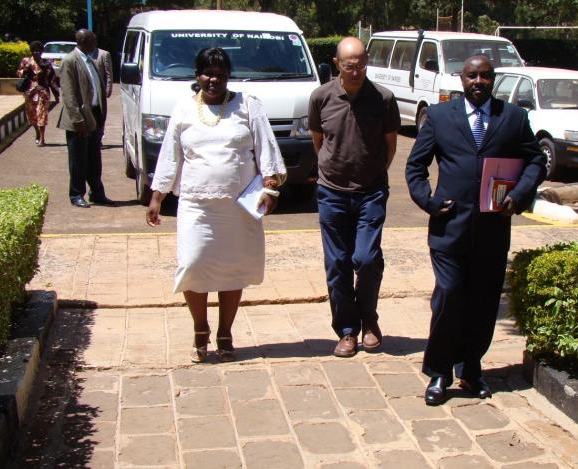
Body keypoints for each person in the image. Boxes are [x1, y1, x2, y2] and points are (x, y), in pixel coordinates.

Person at [405, 54, 546, 405]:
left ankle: (471, 369)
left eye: (485, 76)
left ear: (493, 79)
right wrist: (429, 201)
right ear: (461, 79)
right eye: (472, 76)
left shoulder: (513, 118)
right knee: (450, 295)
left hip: (492, 229)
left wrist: (519, 193)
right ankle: (439, 372)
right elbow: (415, 166)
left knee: (483, 302)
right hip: (449, 227)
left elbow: (535, 160)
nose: (478, 82)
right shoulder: (439, 117)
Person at [146, 47, 286, 364]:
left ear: (228, 77)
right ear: (197, 76)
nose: (214, 80)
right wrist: (157, 197)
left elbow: (267, 149)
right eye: (208, 73)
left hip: (238, 208)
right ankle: (200, 328)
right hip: (196, 205)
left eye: (221, 75)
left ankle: (225, 332)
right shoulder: (183, 110)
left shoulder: (248, 106)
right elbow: (170, 156)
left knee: (232, 270)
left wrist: (271, 188)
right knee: (193, 264)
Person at [308, 37, 400, 358]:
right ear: (337, 64)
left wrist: (374, 174)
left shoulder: (384, 99)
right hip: (332, 193)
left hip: (371, 192)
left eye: (361, 64)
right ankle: (347, 330)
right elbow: (319, 141)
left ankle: (370, 321)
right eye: (349, 65)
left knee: (366, 258)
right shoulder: (320, 97)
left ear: (367, 62)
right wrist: (335, 173)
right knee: (337, 263)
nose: (356, 70)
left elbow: (390, 145)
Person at [56, 29, 113, 208]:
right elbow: (69, 94)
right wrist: (77, 119)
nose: (96, 42)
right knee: (78, 159)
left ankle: (97, 192)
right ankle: (76, 194)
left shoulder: (90, 59)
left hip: (93, 114)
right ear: (84, 41)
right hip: (79, 119)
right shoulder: (70, 61)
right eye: (93, 40)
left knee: (94, 158)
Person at [17, 41, 60, 146]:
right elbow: (19, 74)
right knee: (31, 116)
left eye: (38, 51)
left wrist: (56, 95)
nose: (36, 53)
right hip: (30, 92)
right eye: (34, 51)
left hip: (42, 92)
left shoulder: (46, 63)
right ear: (31, 51)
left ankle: (42, 138)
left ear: (41, 52)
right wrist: (25, 70)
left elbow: (52, 80)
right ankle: (37, 132)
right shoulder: (26, 61)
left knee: (41, 115)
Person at [91, 45, 113, 146]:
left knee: (100, 114)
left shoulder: (104, 54)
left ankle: (98, 137)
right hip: (86, 91)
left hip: (100, 90)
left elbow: (108, 73)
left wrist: (108, 89)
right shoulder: (82, 55)